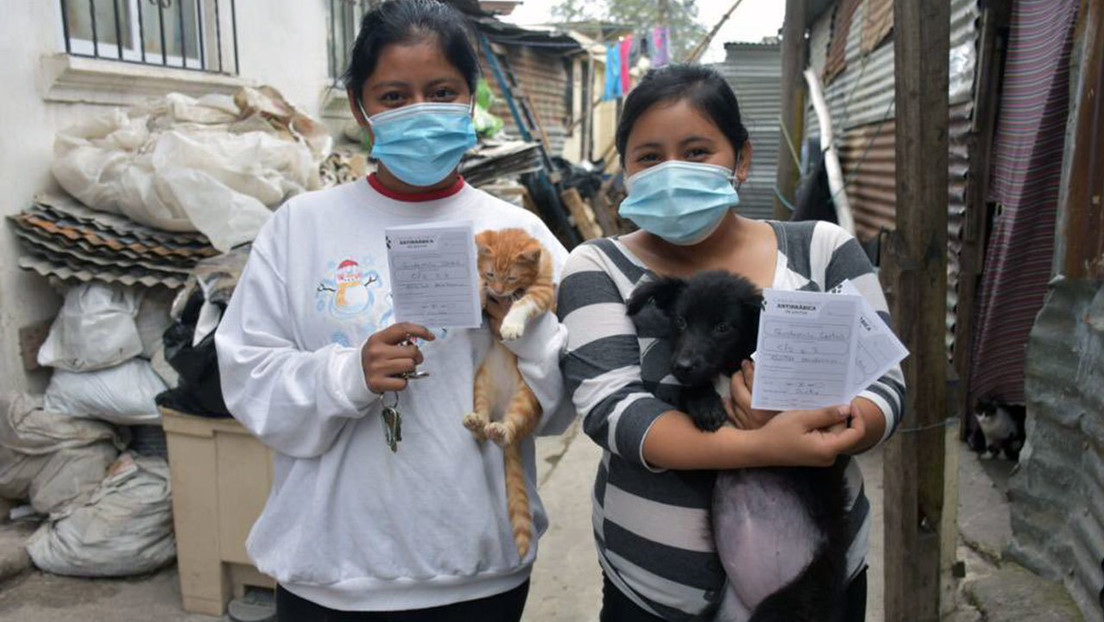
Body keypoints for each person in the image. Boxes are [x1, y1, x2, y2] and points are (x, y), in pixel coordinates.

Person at [215, 1, 571, 619]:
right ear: (360, 107)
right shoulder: (302, 228)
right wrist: (348, 374)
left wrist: (521, 334)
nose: (420, 112)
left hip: (475, 571)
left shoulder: (518, 234)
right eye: (394, 96)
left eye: (440, 92)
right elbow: (248, 379)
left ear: (470, 100)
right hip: (331, 573)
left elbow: (569, 400)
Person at [557, 64, 907, 622]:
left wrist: (833, 422)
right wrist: (768, 444)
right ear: (624, 170)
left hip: (814, 581)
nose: (673, 170)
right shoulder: (596, 265)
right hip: (652, 594)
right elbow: (612, 411)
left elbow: (884, 382)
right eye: (649, 157)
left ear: (740, 160)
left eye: (697, 151)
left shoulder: (822, 249)